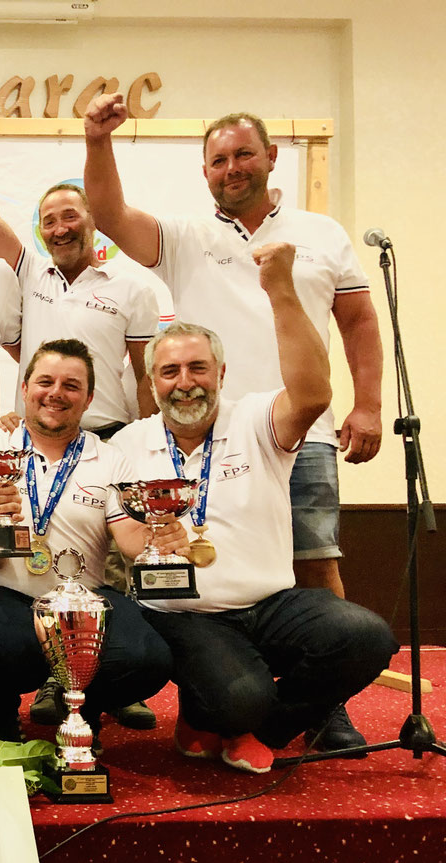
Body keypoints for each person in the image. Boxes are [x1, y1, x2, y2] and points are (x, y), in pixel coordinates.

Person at [83, 95, 384, 748]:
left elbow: (359, 320)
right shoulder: (184, 238)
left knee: (317, 565)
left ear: (272, 157)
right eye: (218, 160)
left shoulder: (322, 233)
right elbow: (107, 214)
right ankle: (216, 694)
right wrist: (98, 141)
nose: (232, 168)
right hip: (198, 436)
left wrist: (368, 403)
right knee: (194, 573)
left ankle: (325, 707)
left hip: (293, 428)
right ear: (205, 172)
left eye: (244, 154)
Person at [109, 243, 396, 774]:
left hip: (269, 604)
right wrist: (154, 541)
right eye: (170, 371)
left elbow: (312, 394)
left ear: (221, 373)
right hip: (185, 615)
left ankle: (262, 728)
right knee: (239, 695)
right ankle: (221, 711)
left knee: (367, 637)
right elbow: (123, 532)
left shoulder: (256, 419)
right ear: (152, 382)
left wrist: (281, 291)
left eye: (198, 367)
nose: (185, 382)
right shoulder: (128, 443)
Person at [0, 104, 161, 731]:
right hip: (33, 441)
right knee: (17, 567)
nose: (61, 228)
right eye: (50, 220)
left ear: (93, 223)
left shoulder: (131, 286)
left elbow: (145, 375)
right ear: (40, 231)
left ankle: (97, 685)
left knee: (103, 574)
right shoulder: (29, 272)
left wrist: (148, 444)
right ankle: (39, 683)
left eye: (71, 216)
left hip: (107, 438)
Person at [0, 319, 172, 742]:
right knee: (3, 643)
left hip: (81, 602)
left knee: (147, 657)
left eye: (71, 385)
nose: (56, 393)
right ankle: (1, 722)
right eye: (45, 381)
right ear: (24, 389)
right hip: (1, 594)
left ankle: (80, 714)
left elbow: (130, 539)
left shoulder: (109, 459)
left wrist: (163, 538)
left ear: (89, 398)